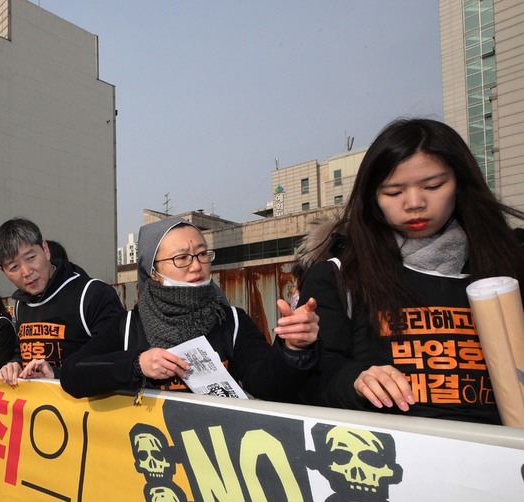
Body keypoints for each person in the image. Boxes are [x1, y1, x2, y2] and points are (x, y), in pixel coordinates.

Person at [296, 117, 524, 424]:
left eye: (433, 186)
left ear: (460, 184)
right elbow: (311, 379)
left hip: (498, 455)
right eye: (393, 192)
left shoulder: (509, 264)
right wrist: (355, 379)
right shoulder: (338, 276)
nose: (414, 203)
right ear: (372, 198)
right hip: (392, 456)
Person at [60, 219, 320, 401]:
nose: (196, 266)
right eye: (182, 258)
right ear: (154, 272)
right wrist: (136, 365)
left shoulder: (231, 321)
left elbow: (268, 385)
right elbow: (73, 374)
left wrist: (293, 349)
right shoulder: (128, 326)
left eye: (202, 254)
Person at [0, 218, 125, 385]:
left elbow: (118, 361)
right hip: (38, 408)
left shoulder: (92, 294)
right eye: (14, 267)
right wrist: (15, 363)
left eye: (31, 257)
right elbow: (21, 349)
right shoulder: (21, 303)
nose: (26, 272)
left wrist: (57, 374)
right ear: (3, 272)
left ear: (45, 249)